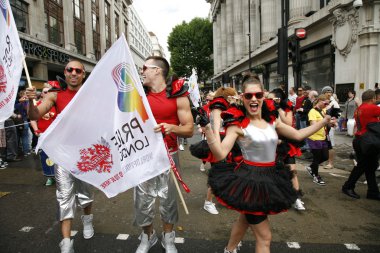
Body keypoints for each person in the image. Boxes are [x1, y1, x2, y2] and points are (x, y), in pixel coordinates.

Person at [199, 73, 331, 253]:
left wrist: (324, 121)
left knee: (245, 219)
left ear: (263, 96)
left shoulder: (272, 121)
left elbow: (298, 135)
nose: (254, 99)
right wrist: (208, 131)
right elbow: (221, 154)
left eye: (258, 95)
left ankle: (229, 250)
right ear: (242, 98)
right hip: (250, 181)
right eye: (248, 95)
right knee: (265, 237)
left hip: (271, 178)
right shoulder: (237, 125)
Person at [26, 60, 94, 253]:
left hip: (86, 155)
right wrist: (32, 101)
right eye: (69, 70)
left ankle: (87, 219)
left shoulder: (91, 94)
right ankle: (66, 242)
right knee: (64, 197)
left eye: (78, 70)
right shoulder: (55, 95)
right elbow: (35, 114)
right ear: (64, 73)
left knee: (86, 196)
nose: (73, 73)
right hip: (63, 154)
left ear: (83, 74)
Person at [135, 56, 194, 253]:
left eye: (145, 67)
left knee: (169, 200)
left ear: (157, 71)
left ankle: (169, 238)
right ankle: (148, 236)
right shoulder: (138, 96)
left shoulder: (178, 96)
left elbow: (189, 130)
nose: (142, 71)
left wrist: (171, 128)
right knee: (142, 201)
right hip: (143, 155)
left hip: (168, 154)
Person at [342, 89, 380, 200]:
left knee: (370, 166)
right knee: (363, 166)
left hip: (360, 139)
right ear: (373, 98)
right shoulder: (372, 108)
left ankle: (373, 191)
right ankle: (348, 186)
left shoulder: (359, 109)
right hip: (367, 141)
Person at [271, 88, 305, 211]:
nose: (271, 101)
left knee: (292, 170)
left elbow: (288, 122)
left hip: (286, 142)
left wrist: (278, 108)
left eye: (274, 98)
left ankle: (296, 198)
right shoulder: (267, 107)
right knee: (273, 171)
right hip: (272, 143)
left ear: (279, 99)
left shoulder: (286, 107)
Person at [305, 94, 336, 185]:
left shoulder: (324, 110)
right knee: (317, 158)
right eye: (325, 103)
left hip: (323, 137)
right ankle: (316, 176)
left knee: (325, 156)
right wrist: (326, 121)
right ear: (319, 101)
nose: (326, 105)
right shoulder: (312, 111)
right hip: (314, 138)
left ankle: (311, 167)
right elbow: (313, 125)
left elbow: (327, 122)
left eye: (327, 103)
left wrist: (331, 123)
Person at [30, 84, 57, 186]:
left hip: (55, 135)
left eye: (49, 91)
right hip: (43, 135)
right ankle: (50, 177)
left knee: (58, 156)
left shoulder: (56, 104)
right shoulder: (37, 105)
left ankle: (61, 176)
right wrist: (36, 130)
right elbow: (32, 119)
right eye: (45, 92)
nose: (47, 93)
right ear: (42, 93)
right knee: (46, 156)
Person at [321, 86, 340, 169]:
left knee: (330, 145)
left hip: (330, 126)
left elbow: (337, 116)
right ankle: (325, 161)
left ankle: (330, 163)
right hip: (323, 126)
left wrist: (333, 121)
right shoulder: (323, 101)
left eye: (330, 92)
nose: (328, 93)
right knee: (324, 144)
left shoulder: (334, 103)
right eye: (327, 92)